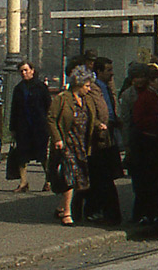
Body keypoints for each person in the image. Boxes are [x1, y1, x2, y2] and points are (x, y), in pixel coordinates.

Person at [48, 66, 104, 227]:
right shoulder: (63, 98)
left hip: (82, 144)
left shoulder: (86, 101)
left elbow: (90, 119)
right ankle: (67, 213)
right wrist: (57, 139)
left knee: (80, 179)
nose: (88, 89)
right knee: (69, 178)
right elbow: (51, 119)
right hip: (66, 144)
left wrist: (99, 125)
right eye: (86, 86)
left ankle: (61, 207)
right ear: (78, 84)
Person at [128, 66, 158, 226]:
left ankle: (155, 212)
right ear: (151, 82)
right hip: (146, 142)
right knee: (146, 181)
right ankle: (142, 213)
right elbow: (138, 120)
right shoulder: (145, 97)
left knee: (156, 180)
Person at [83, 56, 122, 225]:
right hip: (98, 139)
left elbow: (111, 106)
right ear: (98, 72)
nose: (112, 74)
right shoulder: (93, 89)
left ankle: (104, 211)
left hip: (109, 136)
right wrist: (99, 125)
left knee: (106, 177)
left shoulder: (106, 87)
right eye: (108, 70)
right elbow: (90, 112)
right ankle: (99, 211)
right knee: (100, 178)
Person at [8, 61, 51, 193]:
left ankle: (49, 180)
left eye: (26, 70)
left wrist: (48, 124)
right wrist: (13, 128)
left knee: (43, 155)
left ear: (32, 70)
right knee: (22, 155)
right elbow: (14, 108)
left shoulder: (40, 87)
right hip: (23, 126)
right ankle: (23, 182)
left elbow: (48, 105)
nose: (24, 73)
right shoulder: (19, 88)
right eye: (21, 71)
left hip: (39, 126)